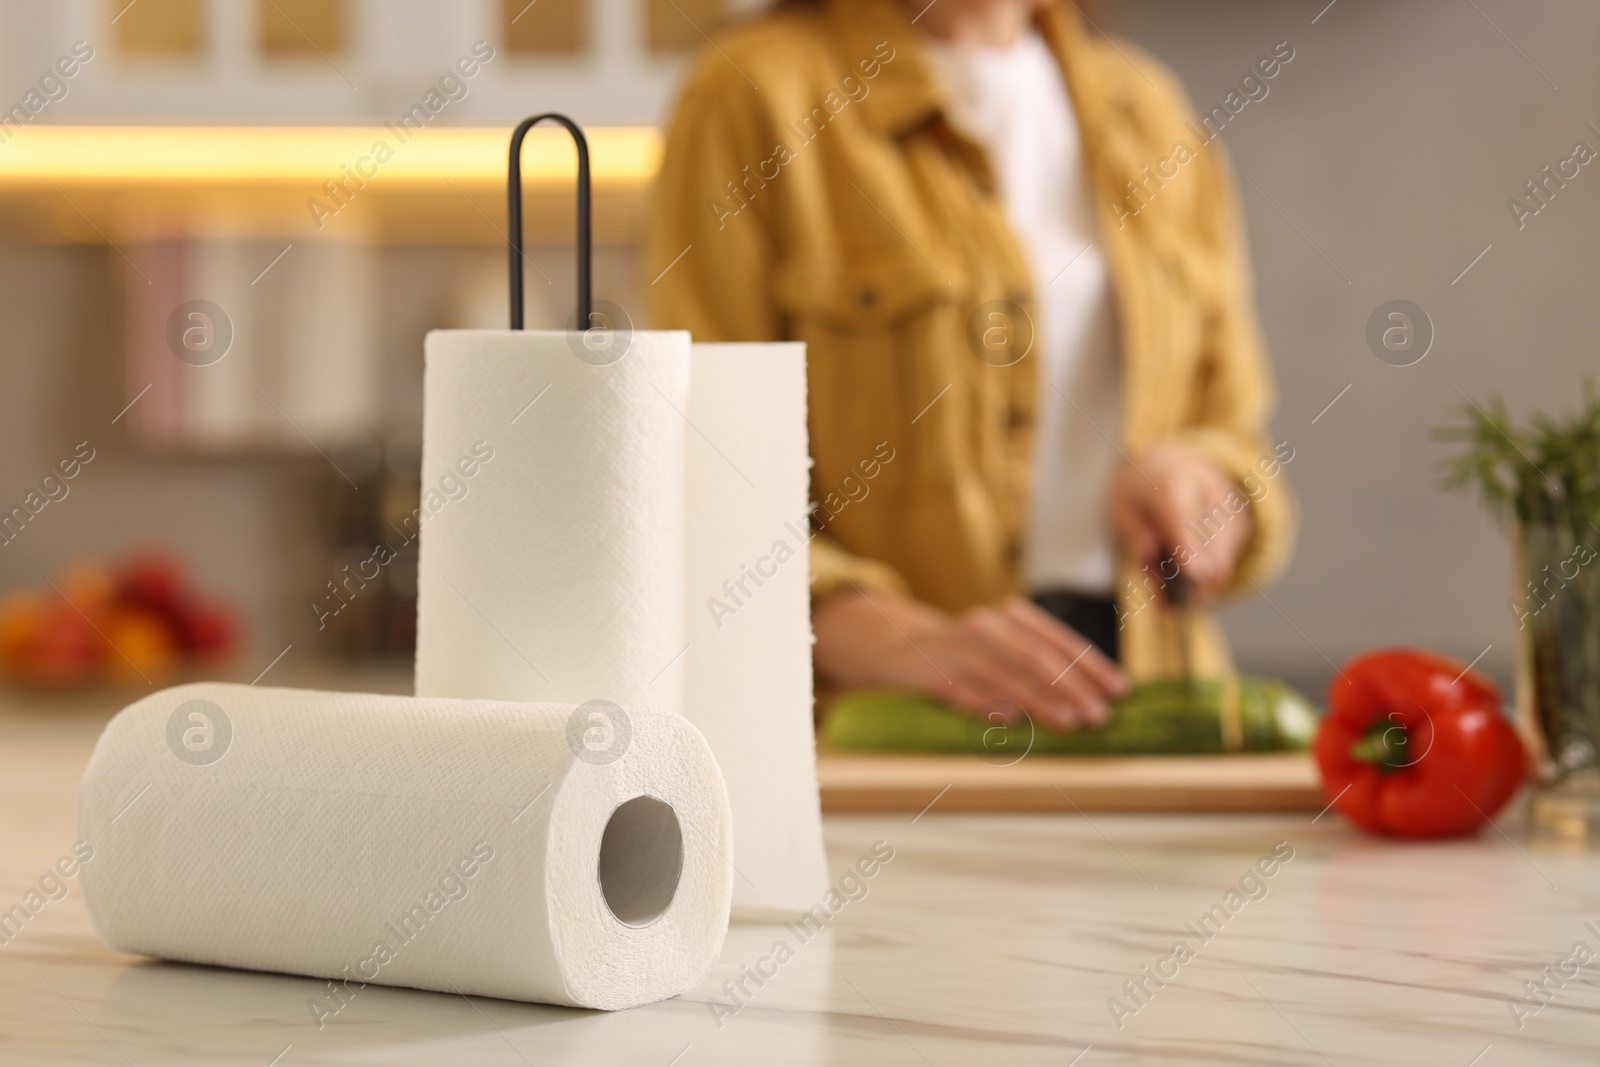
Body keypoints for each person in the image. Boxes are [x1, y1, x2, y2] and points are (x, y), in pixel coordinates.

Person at [648, 0, 1296, 732]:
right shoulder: (752, 94)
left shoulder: (1147, 106)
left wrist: (1203, 487)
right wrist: (900, 639)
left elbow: (1236, 435)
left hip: (1154, 708)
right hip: (891, 730)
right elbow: (695, 468)